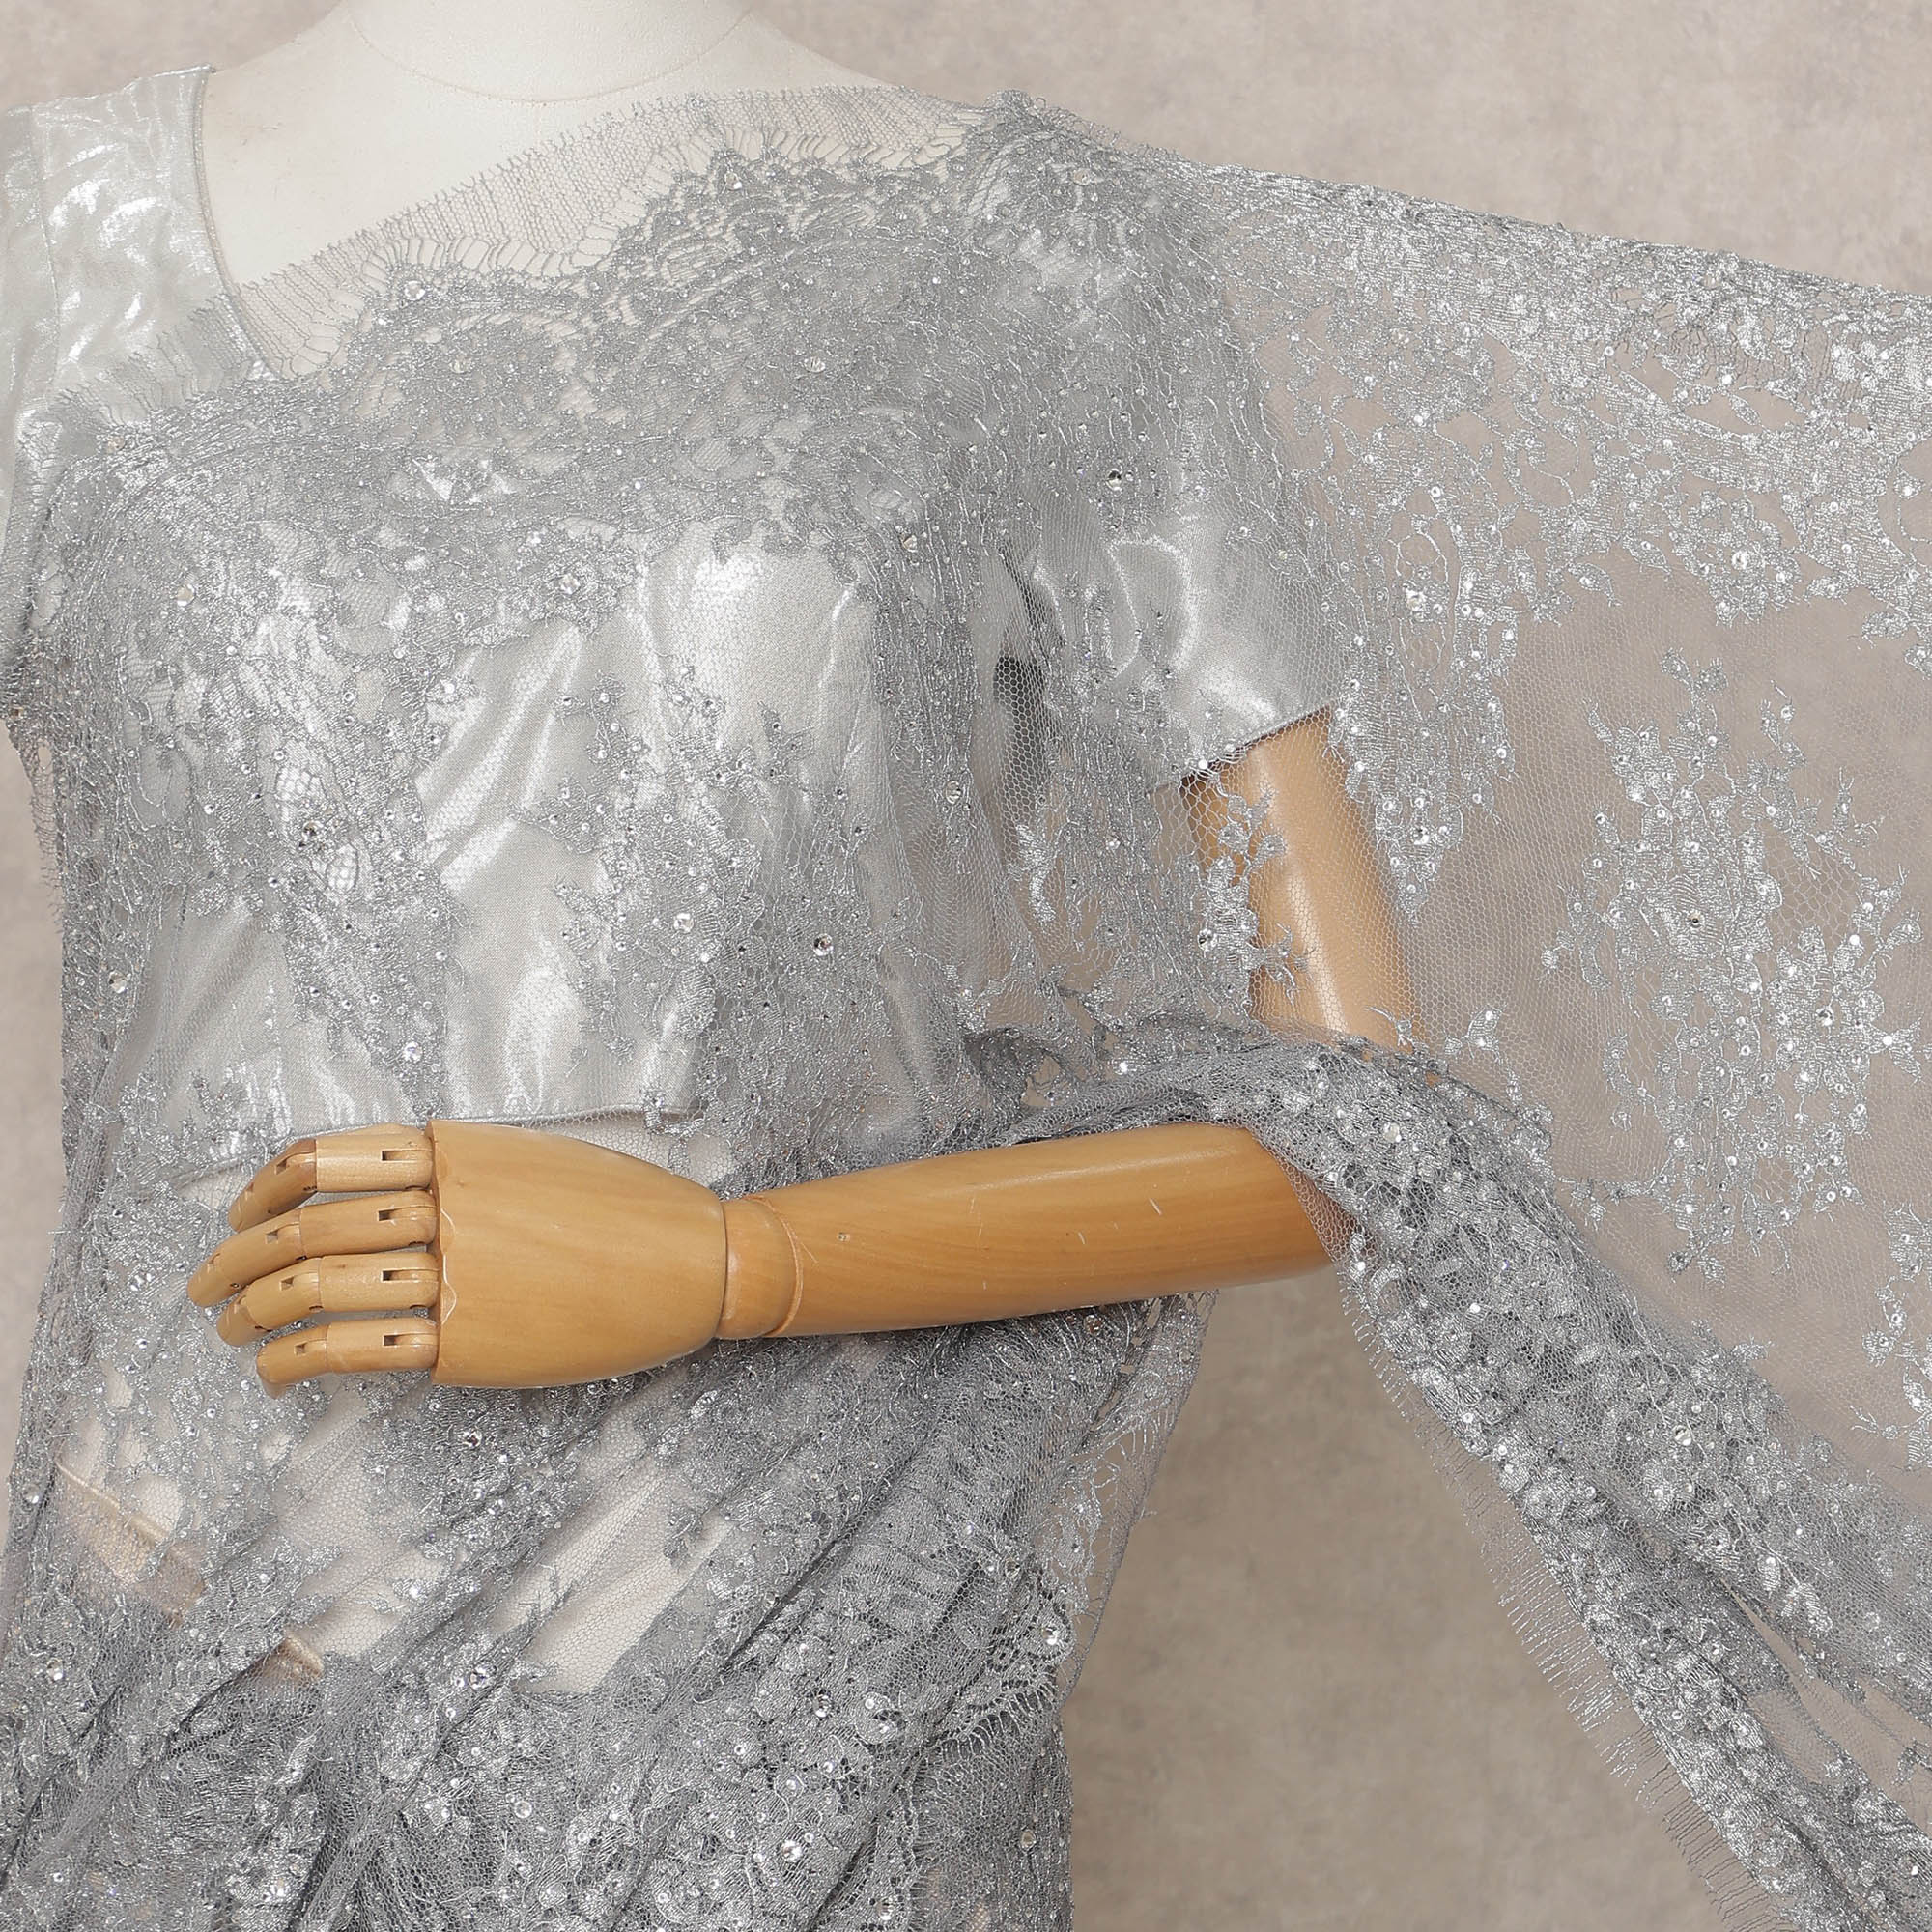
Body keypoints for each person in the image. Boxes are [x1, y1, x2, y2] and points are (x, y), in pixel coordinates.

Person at [3, 5, 1931, 1926]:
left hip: (769, 1693)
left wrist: (731, 1260)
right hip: (164, 1651)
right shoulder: (48, 244)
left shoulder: (1028, 254)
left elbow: (1363, 1125)